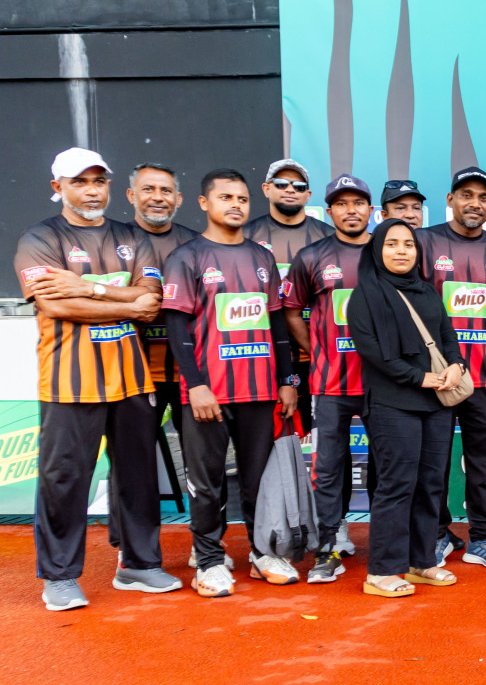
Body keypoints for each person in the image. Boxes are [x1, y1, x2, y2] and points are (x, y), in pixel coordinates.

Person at [14, 147, 172, 611]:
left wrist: (87, 286)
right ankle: (60, 576)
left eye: (98, 181)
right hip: (68, 381)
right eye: (80, 181)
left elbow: (151, 301)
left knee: (139, 477)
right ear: (57, 187)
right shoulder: (39, 237)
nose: (91, 189)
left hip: (131, 378)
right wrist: (122, 301)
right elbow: (55, 305)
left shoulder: (130, 235)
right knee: (64, 478)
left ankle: (139, 565)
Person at [161, 169, 298, 597]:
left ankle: (262, 555)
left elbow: (277, 324)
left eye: (241, 197)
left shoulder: (261, 258)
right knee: (207, 481)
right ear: (204, 203)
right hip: (208, 394)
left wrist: (287, 379)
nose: (235, 204)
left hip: (260, 391)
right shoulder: (186, 257)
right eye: (225, 197)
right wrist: (196, 385)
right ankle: (208, 561)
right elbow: (177, 329)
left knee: (259, 479)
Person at [417, 166, 486, 569]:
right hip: (435, 379)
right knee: (432, 462)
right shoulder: (424, 242)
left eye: (483, 198)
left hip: (483, 378)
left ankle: (483, 536)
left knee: (485, 459)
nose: (475, 204)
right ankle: (435, 535)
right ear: (450, 200)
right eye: (466, 195)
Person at [348, 218, 464, 597]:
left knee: (431, 484)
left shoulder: (428, 291)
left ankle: (421, 561)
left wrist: (455, 365)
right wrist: (421, 378)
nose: (401, 250)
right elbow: (373, 352)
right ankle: (382, 571)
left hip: (437, 404)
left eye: (408, 244)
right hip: (392, 402)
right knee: (397, 485)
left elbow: (447, 335)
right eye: (392, 243)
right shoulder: (365, 294)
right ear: (378, 250)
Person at [281, 175, 374, 582]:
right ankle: (330, 544)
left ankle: (388, 541)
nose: (351, 210)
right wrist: (315, 348)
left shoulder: (389, 251)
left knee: (388, 465)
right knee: (330, 468)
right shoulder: (311, 256)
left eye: (358, 203)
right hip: (330, 383)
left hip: (383, 384)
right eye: (342, 203)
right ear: (329, 210)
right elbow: (290, 309)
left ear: (371, 210)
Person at [247, 159, 333, 436]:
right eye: (281, 184)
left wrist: (320, 351)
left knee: (320, 440)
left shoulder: (328, 236)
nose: (290, 190)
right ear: (266, 189)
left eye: (298, 186)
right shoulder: (245, 236)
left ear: (308, 195)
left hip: (318, 358)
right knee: (266, 443)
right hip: (261, 357)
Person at [125, 162, 198, 434]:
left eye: (166, 191)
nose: (158, 197)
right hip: (132, 376)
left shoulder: (196, 244)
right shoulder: (113, 241)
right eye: (148, 189)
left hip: (190, 375)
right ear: (132, 195)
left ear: (178, 199)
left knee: (200, 462)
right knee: (133, 463)